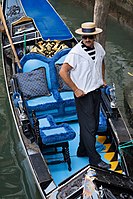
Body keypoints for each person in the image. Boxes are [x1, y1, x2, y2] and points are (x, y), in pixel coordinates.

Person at [59, 22, 111, 169]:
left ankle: (82, 150)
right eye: (85, 37)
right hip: (83, 95)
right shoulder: (75, 53)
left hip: (96, 91)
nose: (87, 39)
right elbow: (63, 72)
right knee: (90, 127)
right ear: (81, 36)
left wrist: (102, 79)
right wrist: (75, 89)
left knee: (91, 124)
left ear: (94, 36)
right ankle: (94, 159)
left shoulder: (99, 48)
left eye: (90, 37)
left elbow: (101, 62)